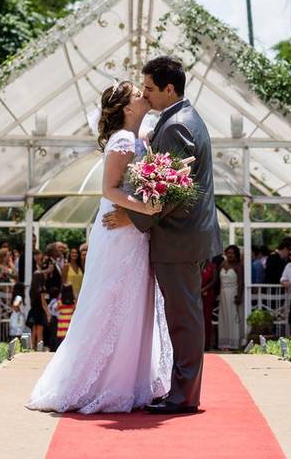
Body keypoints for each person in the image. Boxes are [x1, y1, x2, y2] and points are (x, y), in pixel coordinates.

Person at [29, 77, 174, 414]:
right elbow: (110, 189)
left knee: (136, 300)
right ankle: (99, 382)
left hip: (135, 232)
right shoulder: (123, 140)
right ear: (126, 108)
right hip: (119, 231)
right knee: (110, 299)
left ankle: (130, 378)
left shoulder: (138, 138)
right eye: (139, 94)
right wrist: (147, 208)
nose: (145, 95)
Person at [100, 57, 224, 415]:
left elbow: (170, 192)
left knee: (183, 317)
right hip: (181, 238)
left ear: (170, 89)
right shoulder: (178, 120)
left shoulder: (177, 126)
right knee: (181, 315)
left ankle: (184, 396)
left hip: (178, 239)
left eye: (151, 88)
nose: (147, 94)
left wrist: (131, 217)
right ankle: (180, 389)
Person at [217, 245, 244, 350]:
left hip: (234, 293)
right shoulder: (223, 264)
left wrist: (239, 296)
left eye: (232, 253)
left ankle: (234, 343)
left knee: (233, 318)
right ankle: (224, 343)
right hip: (223, 294)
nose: (230, 255)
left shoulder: (238, 265)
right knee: (224, 318)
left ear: (236, 254)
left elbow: (241, 282)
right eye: (228, 253)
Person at [27, 269, 49, 350]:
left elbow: (31, 302)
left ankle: (31, 348)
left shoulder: (31, 289)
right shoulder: (42, 289)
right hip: (40, 311)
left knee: (33, 331)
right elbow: (43, 303)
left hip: (33, 311)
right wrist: (48, 314)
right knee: (40, 332)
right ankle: (40, 349)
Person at [200, 254, 218, 350]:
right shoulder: (197, 265)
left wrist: (204, 289)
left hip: (208, 295)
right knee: (198, 319)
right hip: (197, 295)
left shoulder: (212, 266)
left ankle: (207, 344)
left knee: (207, 319)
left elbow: (214, 280)